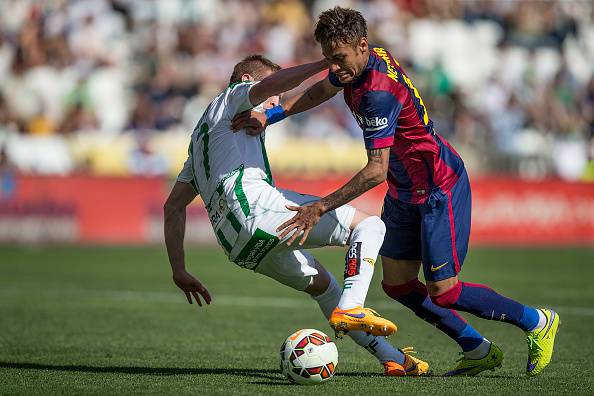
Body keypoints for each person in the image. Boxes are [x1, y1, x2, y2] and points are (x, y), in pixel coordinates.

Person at [231, 7, 559, 377]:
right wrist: (270, 115)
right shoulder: (357, 62)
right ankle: (476, 347)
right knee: (398, 285)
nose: (334, 67)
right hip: (405, 192)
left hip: (439, 186)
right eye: (328, 58)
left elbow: (375, 171)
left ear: (362, 45)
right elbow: (320, 90)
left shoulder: (376, 92)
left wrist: (319, 207)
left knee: (444, 291)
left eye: (338, 59)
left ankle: (536, 321)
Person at [163, 54, 428, 377]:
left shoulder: (202, 138)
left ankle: (393, 360)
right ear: (247, 80)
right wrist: (324, 64)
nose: (275, 102)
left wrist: (179, 269)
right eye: (270, 94)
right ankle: (352, 306)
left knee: (324, 287)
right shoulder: (232, 97)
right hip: (255, 209)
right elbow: (273, 85)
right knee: (370, 226)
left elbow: (173, 207)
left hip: (236, 245)